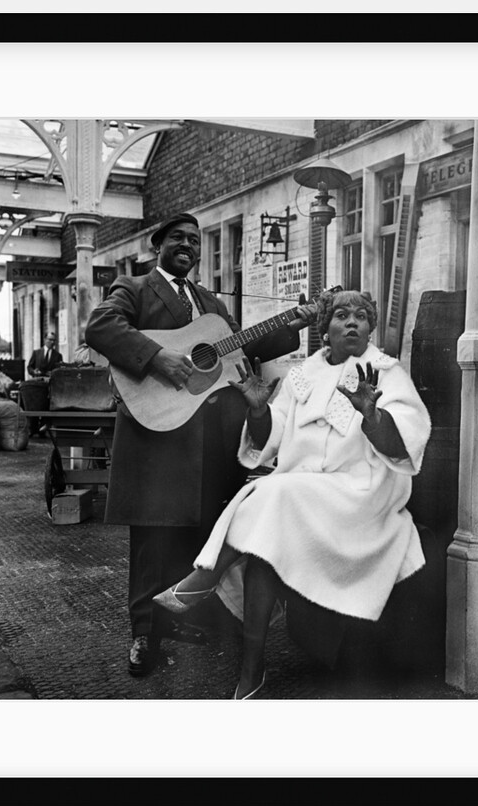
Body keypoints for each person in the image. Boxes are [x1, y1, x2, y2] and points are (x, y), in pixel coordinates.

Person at [152, 288, 432, 699]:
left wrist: (373, 416)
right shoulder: (302, 376)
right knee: (265, 546)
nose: (352, 322)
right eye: (341, 315)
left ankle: (205, 578)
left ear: (371, 328)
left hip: (360, 492)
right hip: (302, 492)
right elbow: (271, 436)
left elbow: (407, 441)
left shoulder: (387, 373)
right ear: (325, 329)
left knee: (274, 492)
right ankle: (252, 668)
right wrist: (258, 411)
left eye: (360, 316)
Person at [84, 212, 317, 677]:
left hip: (209, 437)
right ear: (159, 245)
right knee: (152, 538)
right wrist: (157, 357)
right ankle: (144, 632)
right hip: (157, 435)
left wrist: (294, 323)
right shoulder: (134, 288)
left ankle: (179, 618)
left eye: (194, 239)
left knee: (199, 533)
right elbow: (101, 327)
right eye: (178, 238)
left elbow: (242, 347)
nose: (188, 245)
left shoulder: (209, 303)